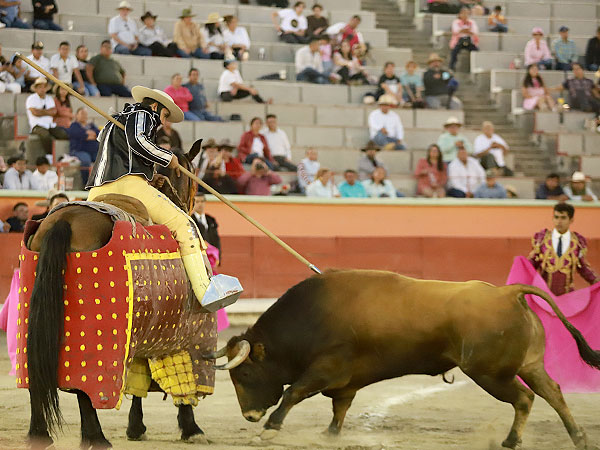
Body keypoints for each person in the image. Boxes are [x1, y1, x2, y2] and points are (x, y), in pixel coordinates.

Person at [86, 85, 222, 304]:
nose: (163, 122)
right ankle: (205, 292)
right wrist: (169, 158)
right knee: (184, 224)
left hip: (96, 191)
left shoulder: (113, 122)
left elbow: (119, 150)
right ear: (156, 106)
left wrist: (148, 175)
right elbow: (138, 141)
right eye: (165, 115)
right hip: (128, 186)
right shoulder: (143, 114)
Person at [527, 203, 599, 296]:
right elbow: (532, 264)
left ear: (571, 220)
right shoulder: (542, 239)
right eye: (556, 217)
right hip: (544, 296)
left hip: (567, 297)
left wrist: (596, 282)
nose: (559, 221)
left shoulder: (578, 242)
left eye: (563, 218)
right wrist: (520, 268)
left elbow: (583, 268)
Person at [26, 77, 69, 154]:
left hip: (50, 125)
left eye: (44, 87)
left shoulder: (49, 98)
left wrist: (40, 111)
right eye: (40, 87)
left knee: (63, 135)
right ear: (35, 88)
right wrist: (47, 112)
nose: (42, 89)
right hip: (37, 126)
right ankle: (49, 155)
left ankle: (63, 155)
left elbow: (54, 112)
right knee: (46, 136)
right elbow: (35, 113)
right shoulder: (31, 98)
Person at [68, 107, 99, 184]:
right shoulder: (74, 125)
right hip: (79, 151)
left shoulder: (91, 125)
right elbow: (79, 134)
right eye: (82, 114)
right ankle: (86, 183)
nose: (84, 116)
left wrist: (87, 135)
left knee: (104, 159)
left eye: (85, 114)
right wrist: (87, 135)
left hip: (94, 151)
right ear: (76, 115)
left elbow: (98, 134)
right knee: (86, 161)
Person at [191, 192, 221, 257]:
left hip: (211, 256)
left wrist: (218, 256)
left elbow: (216, 239)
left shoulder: (211, 220)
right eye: (197, 202)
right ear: (193, 203)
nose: (200, 204)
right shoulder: (190, 220)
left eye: (202, 201)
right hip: (198, 255)